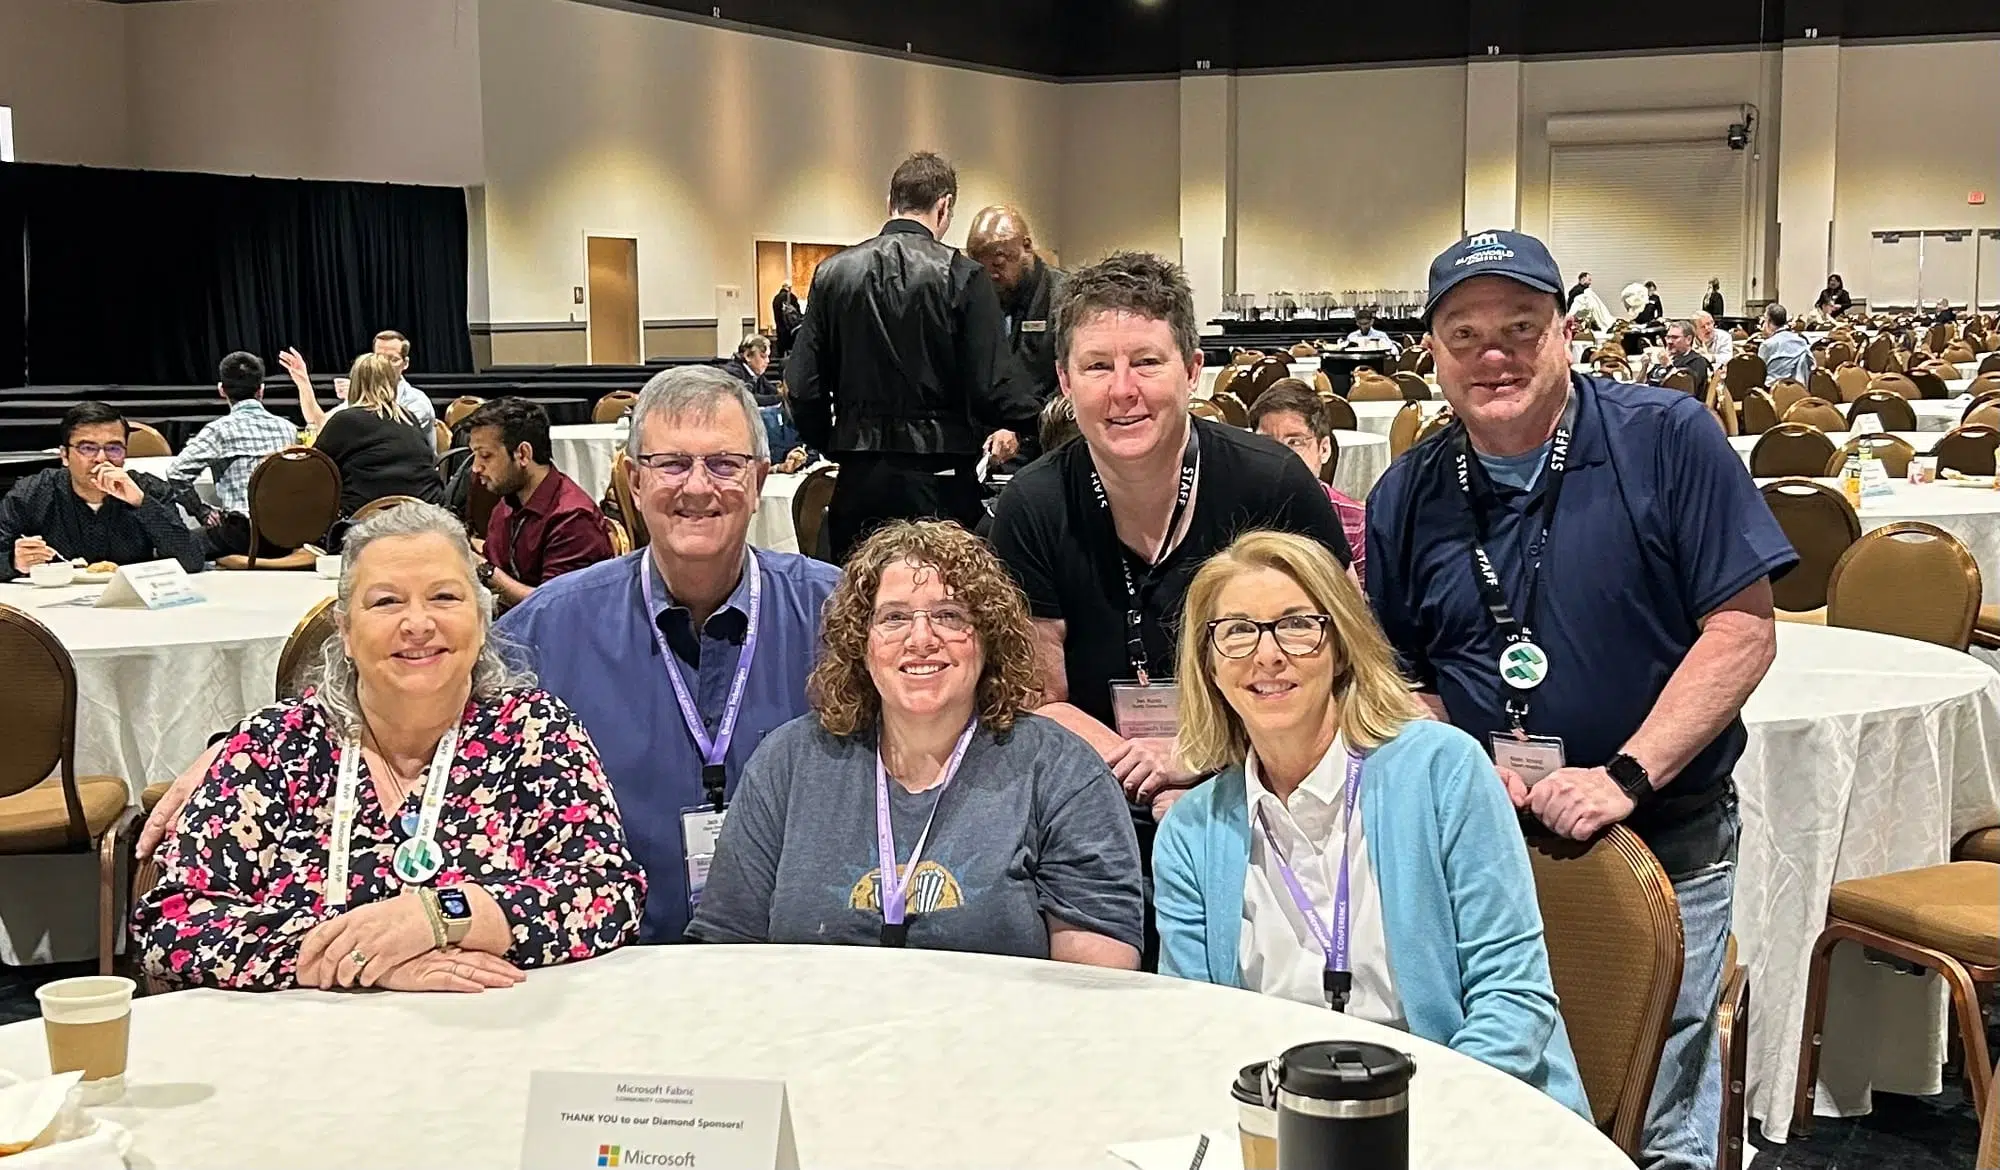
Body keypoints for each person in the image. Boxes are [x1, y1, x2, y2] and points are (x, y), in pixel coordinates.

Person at [1366, 228, 1796, 1170]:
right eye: (1466, 333)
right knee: (1494, 1077)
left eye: (1521, 327)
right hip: (1482, 845)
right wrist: (1462, 761)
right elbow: (1399, 674)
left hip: (1660, 832)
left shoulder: (1665, 440)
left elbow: (1743, 629)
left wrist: (1625, 776)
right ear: (1431, 353)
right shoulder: (1409, 491)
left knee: (1658, 1105)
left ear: (1566, 332)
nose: (1494, 355)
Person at [1153, 531, 1588, 1116]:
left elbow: (1513, 998)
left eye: (1297, 625)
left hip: (1467, 1113)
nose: (1268, 654)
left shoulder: (1443, 771)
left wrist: (1398, 1129)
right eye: (1236, 631)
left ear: (1340, 646)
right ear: (1208, 665)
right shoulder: (1190, 835)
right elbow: (1198, 1028)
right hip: (1281, 1130)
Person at [132, 502, 645, 992]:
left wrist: (441, 916)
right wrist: (368, 961)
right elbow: (174, 920)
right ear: (346, 631)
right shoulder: (276, 747)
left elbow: (607, 891)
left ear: (482, 620)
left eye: (445, 597)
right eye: (386, 602)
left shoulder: (533, 732)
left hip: (492, 1041)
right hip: (304, 1050)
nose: (418, 624)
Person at [988, 251, 1351, 831]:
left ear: (1193, 370)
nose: (1123, 390)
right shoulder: (1031, 506)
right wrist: (1138, 767)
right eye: (1097, 366)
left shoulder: (1275, 484)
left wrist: (1207, 762)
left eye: (1147, 362)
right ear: (1064, 381)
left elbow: (1342, 666)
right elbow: (1037, 696)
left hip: (1267, 780)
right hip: (1095, 784)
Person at [689, 521, 1144, 965]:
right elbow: (726, 948)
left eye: (949, 616)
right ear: (860, 643)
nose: (922, 639)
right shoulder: (788, 763)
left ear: (989, 637)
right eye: (895, 618)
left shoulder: (1061, 770)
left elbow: (1096, 981)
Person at [494, 366, 841, 944]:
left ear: (758, 481)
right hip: (609, 967)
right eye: (673, 464)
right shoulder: (544, 633)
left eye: (724, 464)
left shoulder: (838, 617)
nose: (698, 488)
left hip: (802, 963)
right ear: (633, 481)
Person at [786, 151, 1039, 560]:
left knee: (861, 599)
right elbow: (991, 383)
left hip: (859, 476)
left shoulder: (832, 273)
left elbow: (802, 386)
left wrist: (837, 443)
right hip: (940, 479)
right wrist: (1025, 423)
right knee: (942, 599)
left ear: (891, 202)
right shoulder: (963, 275)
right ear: (945, 206)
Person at [0, 402, 204, 581]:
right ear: (64, 456)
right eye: (88, 448)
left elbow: (191, 561)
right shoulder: (32, 493)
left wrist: (141, 503)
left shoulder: (149, 490)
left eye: (114, 449)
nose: (101, 459)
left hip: (134, 604)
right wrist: (14, 561)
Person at [464, 397, 613, 607]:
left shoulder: (573, 518)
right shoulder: (508, 502)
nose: (476, 467)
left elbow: (553, 607)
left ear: (523, 454)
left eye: (486, 456)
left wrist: (484, 571)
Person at [166, 351, 299, 558]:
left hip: (242, 536)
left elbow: (176, 473)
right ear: (261, 390)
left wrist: (201, 511)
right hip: (289, 534)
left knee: (169, 546)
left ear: (222, 390)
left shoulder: (219, 431)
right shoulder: (288, 429)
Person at [967, 205, 1066, 467]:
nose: (992, 274)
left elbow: (1072, 384)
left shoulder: (1065, 298)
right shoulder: (976, 299)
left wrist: (1023, 430)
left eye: (999, 263)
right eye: (981, 267)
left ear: (1026, 246)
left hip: (1049, 448)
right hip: (986, 451)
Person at [1245, 379, 1367, 584]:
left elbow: (1365, 611)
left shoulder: (1354, 521)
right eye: (1266, 443)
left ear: (1324, 449)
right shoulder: (1235, 515)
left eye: (1295, 442)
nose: (1281, 455)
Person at [312, 354, 447, 521]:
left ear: (355, 382)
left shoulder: (345, 420)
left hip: (369, 518)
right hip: (428, 513)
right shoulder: (408, 417)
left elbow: (315, 466)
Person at [281, 330, 437, 430]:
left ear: (405, 364)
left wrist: (364, 398)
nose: (384, 365)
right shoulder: (362, 396)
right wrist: (303, 383)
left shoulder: (417, 401)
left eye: (392, 359)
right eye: (379, 358)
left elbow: (391, 438)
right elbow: (319, 423)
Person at [1645, 321, 1713, 393]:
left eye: (1675, 337)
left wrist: (1668, 366)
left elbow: (1685, 389)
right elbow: (1646, 382)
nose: (1669, 341)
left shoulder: (1697, 361)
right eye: (1668, 337)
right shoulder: (1667, 358)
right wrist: (1644, 367)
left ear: (1688, 339)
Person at [1757, 303, 1814, 387]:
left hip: (1772, 390)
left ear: (1768, 321)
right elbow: (1812, 365)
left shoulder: (1767, 345)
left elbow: (1759, 374)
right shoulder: (1802, 341)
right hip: (1799, 389)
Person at [720, 334, 780, 405]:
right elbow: (748, 399)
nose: (768, 361)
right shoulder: (733, 373)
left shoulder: (756, 374)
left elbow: (773, 391)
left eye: (768, 356)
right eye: (763, 356)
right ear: (748, 355)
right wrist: (780, 398)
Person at [771, 282, 803, 359]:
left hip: (780, 329)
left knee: (781, 350)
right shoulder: (792, 297)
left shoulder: (776, 298)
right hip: (790, 330)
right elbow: (797, 313)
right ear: (789, 288)